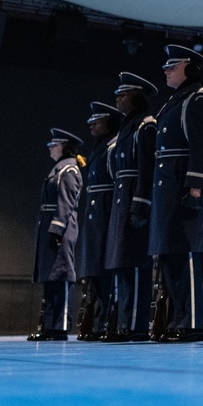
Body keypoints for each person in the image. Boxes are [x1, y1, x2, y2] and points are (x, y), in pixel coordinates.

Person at [149, 45, 203, 342]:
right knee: (172, 256)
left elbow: (201, 146)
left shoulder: (197, 98)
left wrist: (196, 187)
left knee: (186, 254)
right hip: (169, 186)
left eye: (172, 66)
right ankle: (177, 320)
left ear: (188, 67)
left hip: (183, 185)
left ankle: (191, 323)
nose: (166, 70)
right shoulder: (176, 101)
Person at [101, 73, 157, 342]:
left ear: (136, 96)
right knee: (122, 265)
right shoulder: (128, 128)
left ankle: (136, 325)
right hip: (122, 200)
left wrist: (141, 206)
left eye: (122, 95)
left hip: (135, 201)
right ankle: (123, 323)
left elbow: (147, 171)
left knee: (135, 265)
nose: (118, 100)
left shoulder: (145, 127)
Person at [29, 128, 84, 341]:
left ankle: (59, 327)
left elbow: (66, 202)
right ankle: (49, 326)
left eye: (54, 145)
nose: (51, 148)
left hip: (60, 229)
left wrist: (57, 228)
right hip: (50, 227)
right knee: (50, 279)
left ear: (64, 146)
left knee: (60, 276)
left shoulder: (68, 170)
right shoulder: (59, 168)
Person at [75, 102, 122, 340]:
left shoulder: (114, 147)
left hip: (106, 213)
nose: (92, 125)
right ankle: (97, 321)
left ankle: (108, 321)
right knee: (94, 272)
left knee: (107, 271)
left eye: (98, 120)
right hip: (95, 216)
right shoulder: (99, 149)